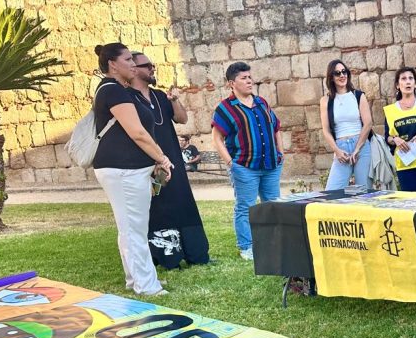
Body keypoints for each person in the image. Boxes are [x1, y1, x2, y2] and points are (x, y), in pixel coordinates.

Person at [91, 44, 174, 297]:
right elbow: (137, 132)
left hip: (126, 169)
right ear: (112, 64)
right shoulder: (113, 91)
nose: (133, 65)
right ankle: (147, 285)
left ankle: (136, 278)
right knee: (134, 228)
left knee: (130, 227)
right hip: (123, 169)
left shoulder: (116, 90)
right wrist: (162, 158)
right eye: (128, 59)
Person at [130, 52, 211, 269]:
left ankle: (195, 252)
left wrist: (174, 100)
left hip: (173, 158)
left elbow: (182, 119)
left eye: (152, 64)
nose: (152, 68)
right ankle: (166, 256)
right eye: (147, 65)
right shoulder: (128, 98)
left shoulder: (158, 96)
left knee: (182, 201)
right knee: (159, 205)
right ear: (134, 69)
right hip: (150, 162)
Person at [211, 62, 283, 261]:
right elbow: (216, 138)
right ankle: (247, 246)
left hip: (270, 165)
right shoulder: (225, 109)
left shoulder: (262, 102)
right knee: (246, 207)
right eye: (244, 78)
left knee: (272, 205)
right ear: (231, 83)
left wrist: (280, 152)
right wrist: (230, 162)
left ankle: (272, 242)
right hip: (244, 167)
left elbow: (276, 128)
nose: (249, 81)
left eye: (250, 77)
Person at [320, 59, 373, 191]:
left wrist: (357, 149)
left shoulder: (358, 96)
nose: (342, 75)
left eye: (344, 72)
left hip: (360, 145)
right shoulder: (326, 100)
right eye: (337, 73)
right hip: (341, 147)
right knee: (332, 192)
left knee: (364, 192)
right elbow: (326, 130)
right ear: (331, 77)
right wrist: (337, 151)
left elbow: (368, 124)